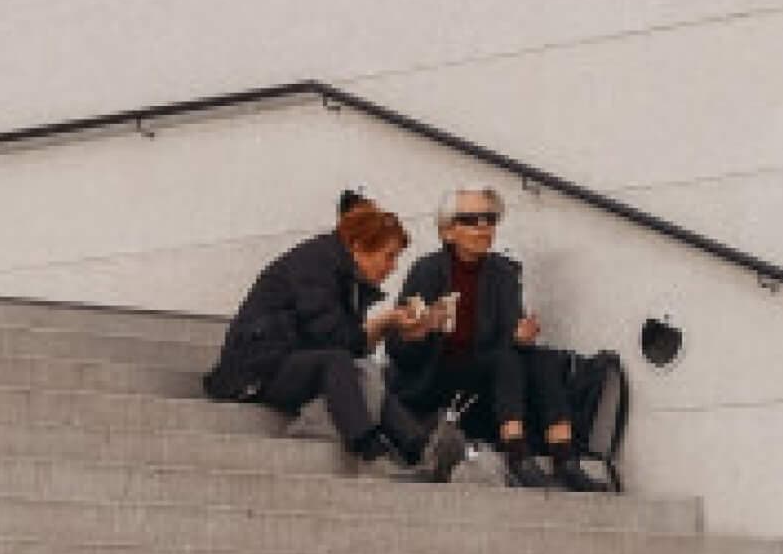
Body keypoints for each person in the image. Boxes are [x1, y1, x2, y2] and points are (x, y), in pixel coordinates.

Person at [203, 201, 467, 481]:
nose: (392, 267)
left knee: (361, 368)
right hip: (252, 370)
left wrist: (394, 325)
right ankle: (370, 453)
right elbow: (335, 340)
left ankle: (420, 448)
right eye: (389, 256)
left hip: (287, 358)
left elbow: (350, 343)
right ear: (358, 246)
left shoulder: (342, 272)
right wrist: (385, 321)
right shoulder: (313, 266)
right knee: (338, 362)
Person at [386, 186, 606, 490]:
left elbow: (508, 341)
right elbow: (397, 349)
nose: (483, 227)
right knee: (505, 358)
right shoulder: (427, 271)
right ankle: (517, 456)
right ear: (448, 232)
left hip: (487, 387)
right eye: (471, 219)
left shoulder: (503, 273)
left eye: (489, 219)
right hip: (436, 384)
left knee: (543, 358)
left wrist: (521, 336)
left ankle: (566, 460)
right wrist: (422, 330)